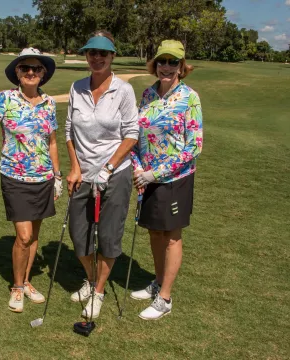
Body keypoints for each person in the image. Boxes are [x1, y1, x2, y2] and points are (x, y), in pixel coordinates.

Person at [0, 48, 62, 313]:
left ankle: (27, 281)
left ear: (43, 74)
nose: (30, 73)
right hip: (15, 176)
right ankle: (17, 286)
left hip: (43, 177)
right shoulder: (5, 99)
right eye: (25, 68)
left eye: (36, 69)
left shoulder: (49, 103)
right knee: (24, 235)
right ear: (17, 72)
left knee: (35, 234)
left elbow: (52, 143)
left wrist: (58, 175)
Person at [65, 30, 139, 319]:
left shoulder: (123, 91)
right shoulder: (77, 87)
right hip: (82, 173)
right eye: (92, 53)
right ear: (86, 56)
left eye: (103, 54)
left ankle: (98, 291)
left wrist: (108, 168)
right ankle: (92, 278)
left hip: (116, 173)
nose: (97, 58)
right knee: (78, 232)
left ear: (112, 57)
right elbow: (69, 129)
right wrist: (74, 167)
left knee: (108, 236)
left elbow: (132, 133)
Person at [130, 40, 203, 320]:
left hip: (175, 179)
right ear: (155, 64)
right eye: (162, 61)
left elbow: (193, 146)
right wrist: (138, 169)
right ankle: (157, 282)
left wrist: (155, 173)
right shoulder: (148, 94)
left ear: (182, 67)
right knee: (154, 231)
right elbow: (136, 136)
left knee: (171, 236)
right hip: (146, 178)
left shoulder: (189, 97)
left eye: (173, 62)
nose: (167, 67)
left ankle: (165, 298)